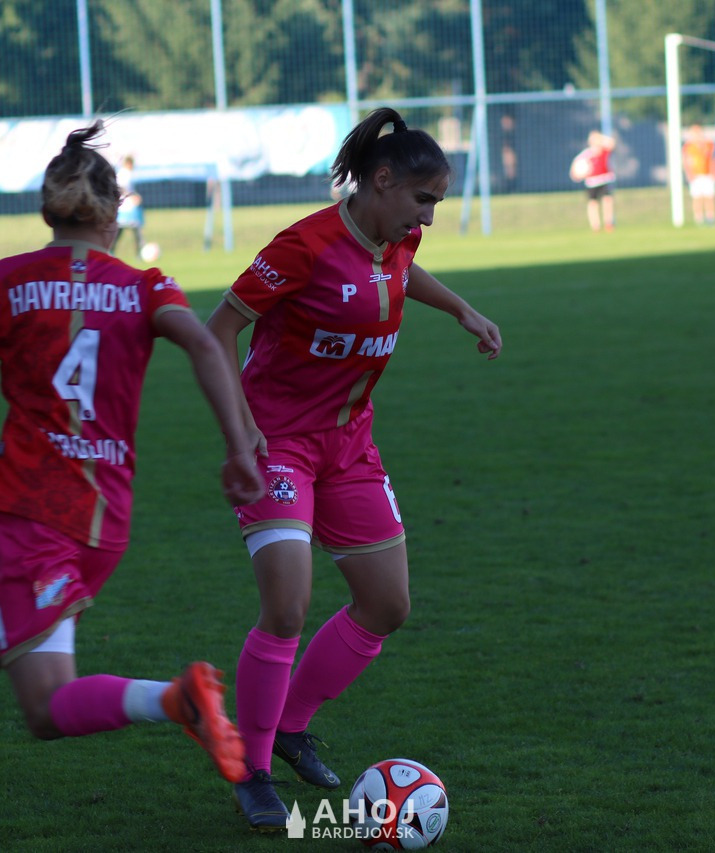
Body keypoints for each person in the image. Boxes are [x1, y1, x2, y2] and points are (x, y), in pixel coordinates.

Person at [0, 122, 266, 853]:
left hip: (32, 514)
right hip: (104, 522)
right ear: (114, 213)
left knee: (44, 707)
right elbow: (201, 342)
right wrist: (237, 444)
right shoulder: (146, 285)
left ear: (46, 211)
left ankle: (175, 699)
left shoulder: (7, 280)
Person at [205, 106, 503, 831]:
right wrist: (239, 433)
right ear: (381, 179)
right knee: (287, 606)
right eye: (423, 199)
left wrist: (460, 310)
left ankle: (294, 725)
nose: (428, 217)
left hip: (349, 446)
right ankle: (251, 766)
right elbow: (220, 329)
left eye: (436, 202)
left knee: (387, 605)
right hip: (278, 444)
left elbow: (400, 271)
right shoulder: (302, 246)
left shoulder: (398, 236)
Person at [569, 129, 617, 232]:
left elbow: (612, 143)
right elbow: (575, 167)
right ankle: (595, 226)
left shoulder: (604, 151)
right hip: (592, 183)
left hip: (605, 180)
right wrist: (576, 175)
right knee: (593, 204)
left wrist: (601, 137)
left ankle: (608, 223)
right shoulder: (586, 154)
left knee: (607, 201)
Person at [682, 124, 715, 225]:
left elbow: (714, 159)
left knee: (709, 197)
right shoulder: (688, 147)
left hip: (708, 174)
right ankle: (699, 218)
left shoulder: (709, 144)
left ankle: (710, 217)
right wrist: (689, 173)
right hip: (696, 175)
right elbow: (686, 161)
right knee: (697, 198)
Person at [111, 154, 145, 257]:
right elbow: (121, 187)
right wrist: (132, 196)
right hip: (127, 206)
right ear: (129, 164)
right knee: (127, 229)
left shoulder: (125, 173)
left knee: (134, 229)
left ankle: (139, 252)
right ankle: (111, 251)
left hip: (127, 205)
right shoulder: (124, 174)